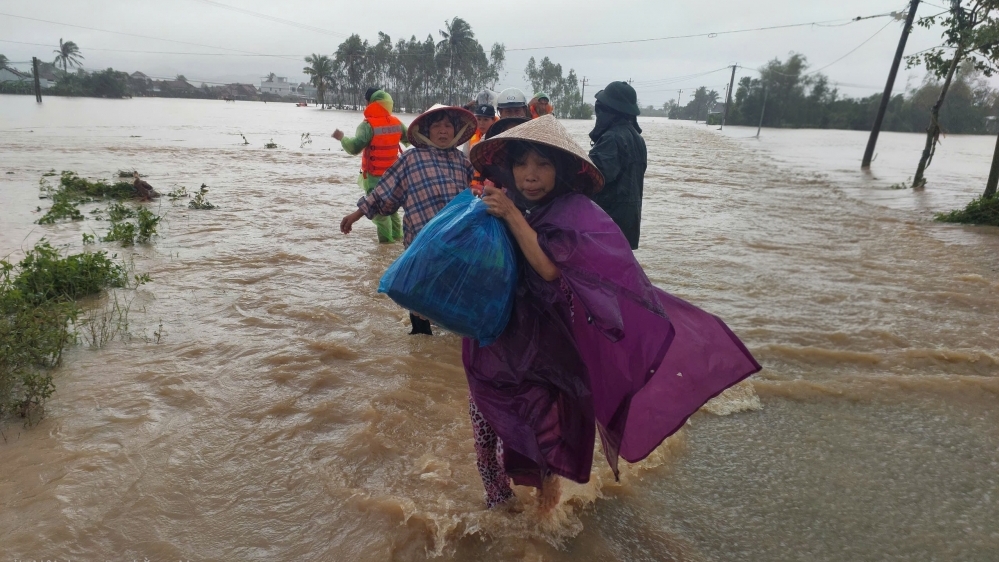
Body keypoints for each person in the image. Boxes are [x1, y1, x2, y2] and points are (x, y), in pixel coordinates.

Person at [465, 115, 761, 511]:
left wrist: (513, 218)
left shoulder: (575, 212)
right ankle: (497, 507)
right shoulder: (505, 203)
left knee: (537, 435)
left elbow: (549, 268)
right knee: (486, 425)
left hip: (547, 347)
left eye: (543, 164)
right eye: (521, 164)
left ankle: (543, 517)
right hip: (499, 336)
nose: (530, 175)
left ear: (562, 169)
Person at [340, 104, 476, 335]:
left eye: (448, 126)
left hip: (455, 243)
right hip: (420, 241)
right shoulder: (412, 159)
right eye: (436, 126)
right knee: (419, 294)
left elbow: (472, 201)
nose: (443, 131)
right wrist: (356, 215)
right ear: (426, 131)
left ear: (456, 131)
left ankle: (454, 339)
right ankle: (421, 343)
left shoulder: (463, 163)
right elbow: (383, 192)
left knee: (454, 295)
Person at [332, 88, 408, 244]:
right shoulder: (397, 123)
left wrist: (342, 138)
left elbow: (354, 148)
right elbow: (412, 138)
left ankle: (385, 247)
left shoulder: (367, 125)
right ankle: (398, 244)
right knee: (392, 212)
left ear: (369, 103)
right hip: (395, 178)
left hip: (375, 178)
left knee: (380, 215)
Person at [587, 81, 648, 250]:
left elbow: (591, 179)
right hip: (628, 228)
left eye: (601, 109)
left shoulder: (612, 139)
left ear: (611, 111)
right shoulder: (638, 139)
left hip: (607, 228)